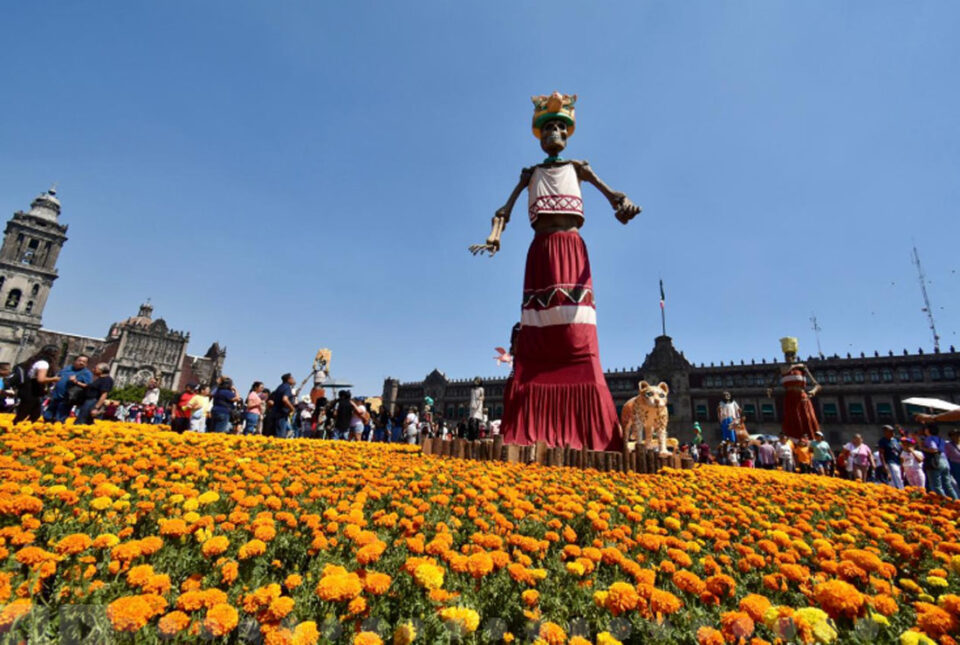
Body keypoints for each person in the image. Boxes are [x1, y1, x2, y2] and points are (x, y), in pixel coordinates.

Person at [470, 92, 641, 452]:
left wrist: (622, 205)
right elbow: (504, 210)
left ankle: (587, 425)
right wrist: (494, 237)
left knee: (577, 333)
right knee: (538, 330)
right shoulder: (530, 174)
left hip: (571, 249)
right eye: (548, 127)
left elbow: (614, 196)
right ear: (539, 135)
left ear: (568, 133)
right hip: (541, 253)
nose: (555, 132)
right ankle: (534, 417)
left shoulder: (579, 168)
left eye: (561, 126)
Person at [766, 337, 821, 441]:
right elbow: (771, 385)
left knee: (806, 419)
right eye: (786, 354)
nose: (789, 357)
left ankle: (810, 441)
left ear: (795, 356)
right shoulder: (781, 369)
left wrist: (813, 391)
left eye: (791, 354)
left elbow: (817, 385)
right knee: (792, 421)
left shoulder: (802, 367)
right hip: (789, 398)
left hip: (802, 397)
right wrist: (769, 390)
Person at [13, 346, 60, 423]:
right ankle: (13, 429)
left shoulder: (36, 361)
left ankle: (22, 429)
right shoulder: (43, 364)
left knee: (35, 414)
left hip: (30, 390)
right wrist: (54, 379)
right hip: (31, 390)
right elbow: (41, 379)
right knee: (23, 414)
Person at [48, 354, 93, 422]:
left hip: (68, 399)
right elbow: (58, 376)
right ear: (75, 361)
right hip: (56, 396)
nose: (81, 363)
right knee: (47, 415)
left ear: (86, 364)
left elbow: (88, 386)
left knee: (59, 419)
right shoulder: (67, 368)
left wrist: (76, 382)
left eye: (84, 362)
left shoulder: (87, 373)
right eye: (79, 360)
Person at [919, 424, 959, 499]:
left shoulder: (929, 438)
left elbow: (933, 449)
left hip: (936, 462)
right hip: (945, 462)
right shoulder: (941, 439)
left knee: (936, 486)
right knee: (948, 485)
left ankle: (944, 503)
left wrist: (922, 447)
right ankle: (956, 502)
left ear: (928, 430)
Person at [267, 374, 297, 438]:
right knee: (280, 434)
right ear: (288, 379)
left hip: (276, 412)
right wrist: (292, 408)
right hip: (282, 413)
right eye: (292, 378)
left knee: (276, 432)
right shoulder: (287, 387)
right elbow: (285, 399)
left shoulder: (280, 387)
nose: (294, 380)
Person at [877, 425, 904, 490]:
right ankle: (900, 490)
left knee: (899, 476)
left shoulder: (895, 440)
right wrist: (884, 465)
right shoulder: (883, 441)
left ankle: (896, 490)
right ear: (885, 432)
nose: (893, 433)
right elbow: (881, 454)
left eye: (893, 431)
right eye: (890, 431)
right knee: (896, 476)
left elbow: (900, 449)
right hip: (890, 461)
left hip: (898, 461)